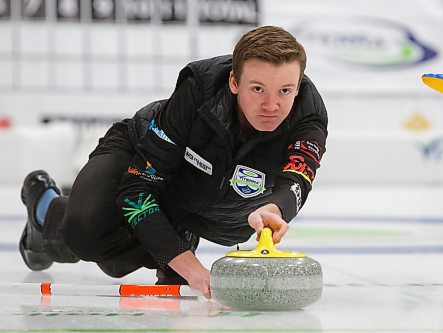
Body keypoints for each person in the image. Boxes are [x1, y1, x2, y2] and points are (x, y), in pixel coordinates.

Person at [19, 26, 328, 299]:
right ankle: (45, 206)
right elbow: (135, 191)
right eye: (257, 89)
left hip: (211, 204)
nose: (271, 106)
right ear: (234, 81)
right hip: (140, 150)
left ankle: (173, 239)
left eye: (285, 91)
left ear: (298, 87)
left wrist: (274, 209)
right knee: (85, 232)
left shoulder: (309, 113)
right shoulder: (200, 88)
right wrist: (189, 266)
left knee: (118, 264)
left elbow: (297, 178)